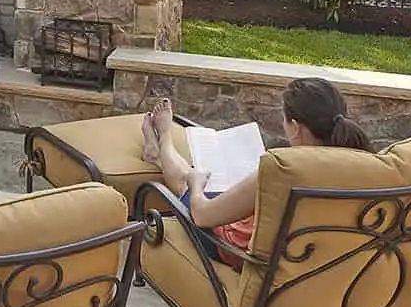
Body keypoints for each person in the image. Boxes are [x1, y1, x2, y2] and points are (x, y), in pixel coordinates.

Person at [140, 77, 374, 258]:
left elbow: (202, 216)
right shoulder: (367, 166)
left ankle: (164, 140)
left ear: (295, 128)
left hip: (239, 251)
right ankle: (159, 154)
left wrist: (196, 186)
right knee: (207, 184)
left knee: (190, 181)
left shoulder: (282, 170)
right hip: (314, 264)